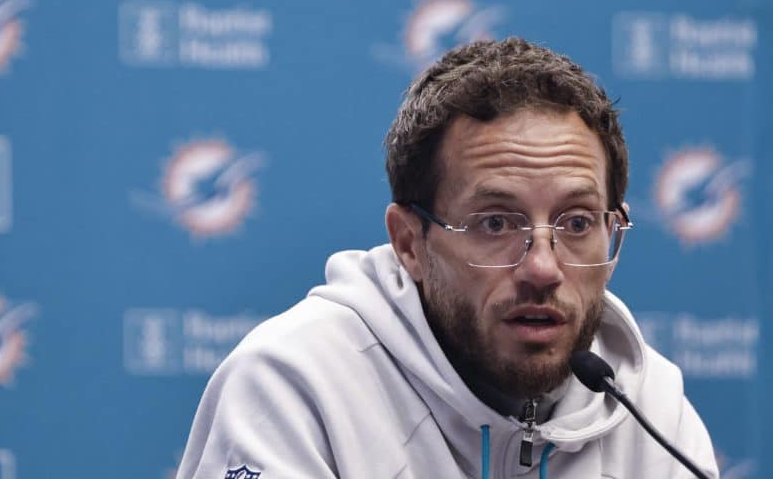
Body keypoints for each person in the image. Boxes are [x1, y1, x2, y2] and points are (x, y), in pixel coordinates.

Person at [175, 38, 718, 478]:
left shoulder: (651, 413)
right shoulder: (296, 385)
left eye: (576, 223)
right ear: (411, 243)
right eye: (495, 224)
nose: (543, 269)